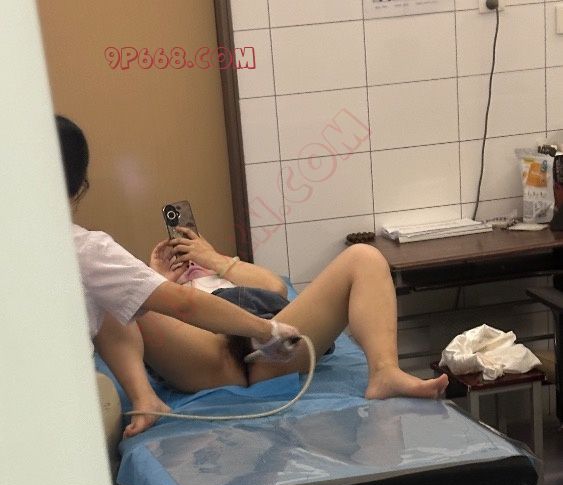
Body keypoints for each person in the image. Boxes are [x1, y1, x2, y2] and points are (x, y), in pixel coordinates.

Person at [56, 115, 448, 439]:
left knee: (365, 256)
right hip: (213, 351)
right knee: (118, 297)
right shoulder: (89, 255)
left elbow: (274, 287)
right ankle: (146, 397)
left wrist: (216, 261)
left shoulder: (75, 251)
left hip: (267, 342)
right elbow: (182, 306)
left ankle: (384, 371)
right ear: (79, 187)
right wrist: (155, 282)